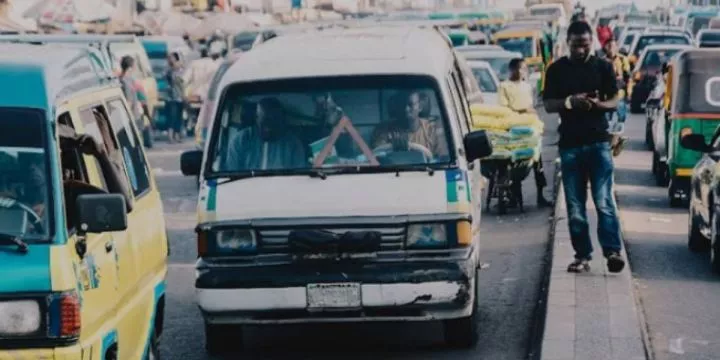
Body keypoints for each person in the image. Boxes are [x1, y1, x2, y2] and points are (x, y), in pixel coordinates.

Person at [542, 21, 625, 274]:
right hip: (570, 145)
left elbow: (614, 101)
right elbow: (548, 104)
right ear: (568, 42)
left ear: (593, 43)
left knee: (603, 201)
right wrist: (570, 102)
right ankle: (582, 256)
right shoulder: (556, 70)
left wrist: (595, 105)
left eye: (585, 45)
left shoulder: (603, 67)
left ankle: (612, 252)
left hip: (599, 142)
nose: (581, 50)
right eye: (576, 45)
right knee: (575, 206)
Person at [498, 58, 552, 208]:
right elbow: (504, 109)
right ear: (513, 70)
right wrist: (523, 111)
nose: (524, 72)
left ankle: (540, 195)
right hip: (514, 128)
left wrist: (530, 112)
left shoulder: (527, 87)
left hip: (530, 128)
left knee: (537, 162)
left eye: (525, 70)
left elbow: (531, 106)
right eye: (522, 69)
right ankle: (514, 196)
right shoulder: (504, 86)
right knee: (515, 163)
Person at [225, 97, 307, 171]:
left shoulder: (293, 144)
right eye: (265, 121)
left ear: (281, 120)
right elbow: (231, 174)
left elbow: (299, 178)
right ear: (256, 118)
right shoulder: (239, 141)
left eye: (274, 121)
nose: (269, 127)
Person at [371, 91, 448, 159]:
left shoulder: (432, 129)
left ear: (420, 107)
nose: (406, 109)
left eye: (410, 105)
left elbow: (442, 160)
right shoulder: (383, 130)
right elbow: (377, 157)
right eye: (402, 105)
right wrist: (393, 148)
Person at [602, 38, 630, 156]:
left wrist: (627, 90)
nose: (611, 49)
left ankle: (617, 141)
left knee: (620, 121)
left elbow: (627, 78)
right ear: (606, 48)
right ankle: (608, 145)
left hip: (619, 96)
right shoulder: (602, 61)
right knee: (606, 122)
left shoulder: (623, 60)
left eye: (613, 46)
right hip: (606, 97)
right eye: (609, 47)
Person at [119, 56, 144, 132]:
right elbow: (128, 101)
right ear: (130, 67)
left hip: (135, 114)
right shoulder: (125, 81)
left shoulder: (129, 79)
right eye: (134, 65)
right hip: (131, 116)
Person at [165, 52, 186, 143]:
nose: (170, 60)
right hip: (171, 97)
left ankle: (177, 135)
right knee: (172, 117)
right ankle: (170, 136)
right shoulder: (169, 70)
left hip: (179, 97)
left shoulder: (181, 70)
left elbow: (182, 83)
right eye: (169, 58)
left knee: (178, 117)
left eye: (172, 58)